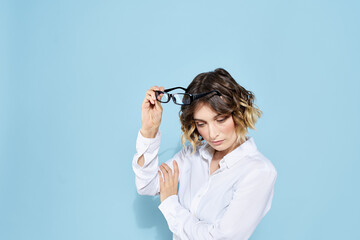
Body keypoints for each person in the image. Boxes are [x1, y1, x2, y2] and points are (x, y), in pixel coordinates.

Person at [132, 68, 277, 240]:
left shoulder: (258, 172)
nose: (212, 133)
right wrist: (149, 131)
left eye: (220, 120)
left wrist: (171, 204)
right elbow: (146, 185)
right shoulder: (192, 155)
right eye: (201, 123)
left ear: (238, 112)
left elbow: (220, 238)